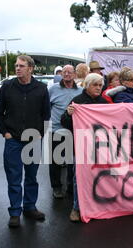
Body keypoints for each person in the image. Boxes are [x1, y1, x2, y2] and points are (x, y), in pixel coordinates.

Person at [0, 55, 50, 228]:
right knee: (14, 177)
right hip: (13, 140)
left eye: (21, 65)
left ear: (31, 68)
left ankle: (30, 207)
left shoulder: (41, 88)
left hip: (34, 139)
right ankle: (15, 212)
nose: (17, 68)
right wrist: (5, 133)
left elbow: (46, 115)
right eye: (16, 65)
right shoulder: (7, 87)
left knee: (32, 177)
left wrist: (41, 133)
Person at [60, 73, 108, 222]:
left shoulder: (104, 102)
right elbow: (64, 122)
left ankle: (97, 206)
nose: (98, 88)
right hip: (80, 146)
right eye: (95, 85)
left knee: (100, 178)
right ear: (87, 85)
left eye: (100, 85)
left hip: (100, 147)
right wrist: (68, 115)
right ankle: (77, 208)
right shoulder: (77, 101)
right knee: (79, 179)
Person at [48, 64, 82, 199]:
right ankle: (56, 187)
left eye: (70, 72)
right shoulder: (52, 89)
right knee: (55, 161)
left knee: (71, 161)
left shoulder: (80, 90)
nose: (67, 74)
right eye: (64, 72)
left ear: (74, 74)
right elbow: (47, 108)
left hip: (74, 130)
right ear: (61, 74)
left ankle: (70, 187)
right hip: (56, 130)